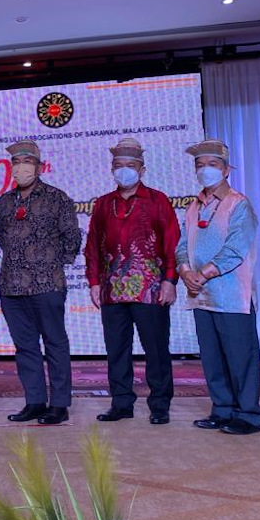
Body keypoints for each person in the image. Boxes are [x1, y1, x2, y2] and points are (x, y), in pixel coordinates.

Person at [85, 137, 179, 425]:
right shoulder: (103, 204)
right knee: (117, 350)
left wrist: (170, 280)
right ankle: (121, 402)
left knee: (156, 349)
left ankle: (160, 404)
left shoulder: (158, 200)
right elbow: (92, 245)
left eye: (130, 165)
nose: (123, 170)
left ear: (142, 169)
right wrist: (94, 282)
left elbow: (172, 242)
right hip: (112, 289)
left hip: (150, 288)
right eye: (118, 165)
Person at [176, 139, 260, 435]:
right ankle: (222, 408)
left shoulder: (239, 204)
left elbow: (236, 249)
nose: (205, 170)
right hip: (201, 295)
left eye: (212, 164)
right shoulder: (193, 206)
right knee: (212, 356)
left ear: (226, 170)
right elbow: (181, 245)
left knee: (240, 356)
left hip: (231, 295)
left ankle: (248, 414)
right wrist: (185, 271)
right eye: (200, 165)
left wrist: (203, 274)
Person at [0, 140, 81, 425]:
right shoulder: (5, 202)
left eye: (27, 162)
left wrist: (51, 263)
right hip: (12, 286)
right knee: (25, 347)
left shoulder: (57, 198)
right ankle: (34, 401)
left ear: (39, 167)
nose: (21, 168)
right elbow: (3, 239)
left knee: (55, 344)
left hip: (47, 285)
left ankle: (59, 405)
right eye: (16, 162)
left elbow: (72, 238)